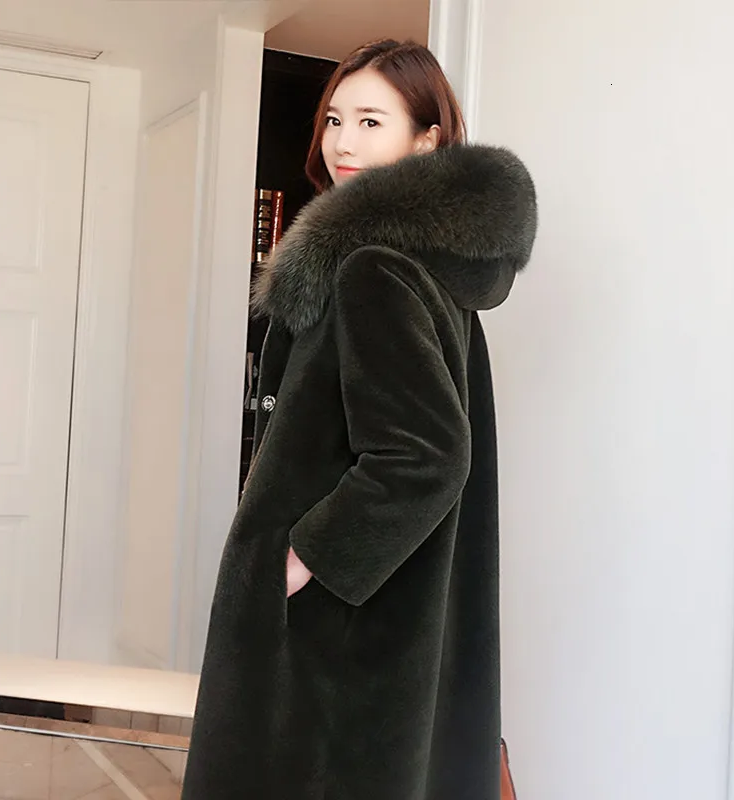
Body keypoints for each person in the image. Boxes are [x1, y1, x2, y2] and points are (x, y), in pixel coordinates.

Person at [182, 38, 537, 800]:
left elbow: (426, 456)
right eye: (335, 119)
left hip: (336, 634)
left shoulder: (373, 268)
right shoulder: (430, 270)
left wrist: (302, 558)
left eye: (372, 122)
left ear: (427, 140)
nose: (342, 142)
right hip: (388, 626)